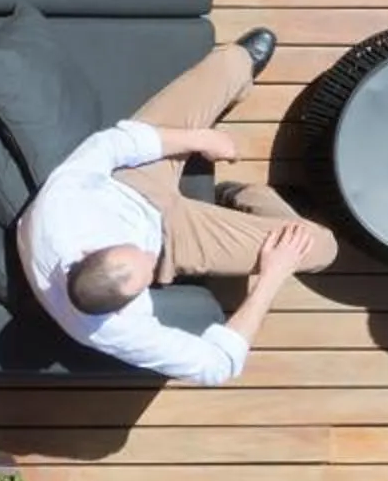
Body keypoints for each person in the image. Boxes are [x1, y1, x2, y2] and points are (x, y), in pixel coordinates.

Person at [17, 27, 337, 384]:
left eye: (131, 249)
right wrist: (272, 276)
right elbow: (217, 366)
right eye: (145, 267)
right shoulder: (114, 330)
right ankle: (240, 197)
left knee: (233, 64)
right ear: (133, 302)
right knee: (321, 248)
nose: (143, 253)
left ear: (86, 250)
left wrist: (199, 139)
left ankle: (240, 177)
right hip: (172, 238)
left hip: (131, 178)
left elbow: (110, 145)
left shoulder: (59, 213)